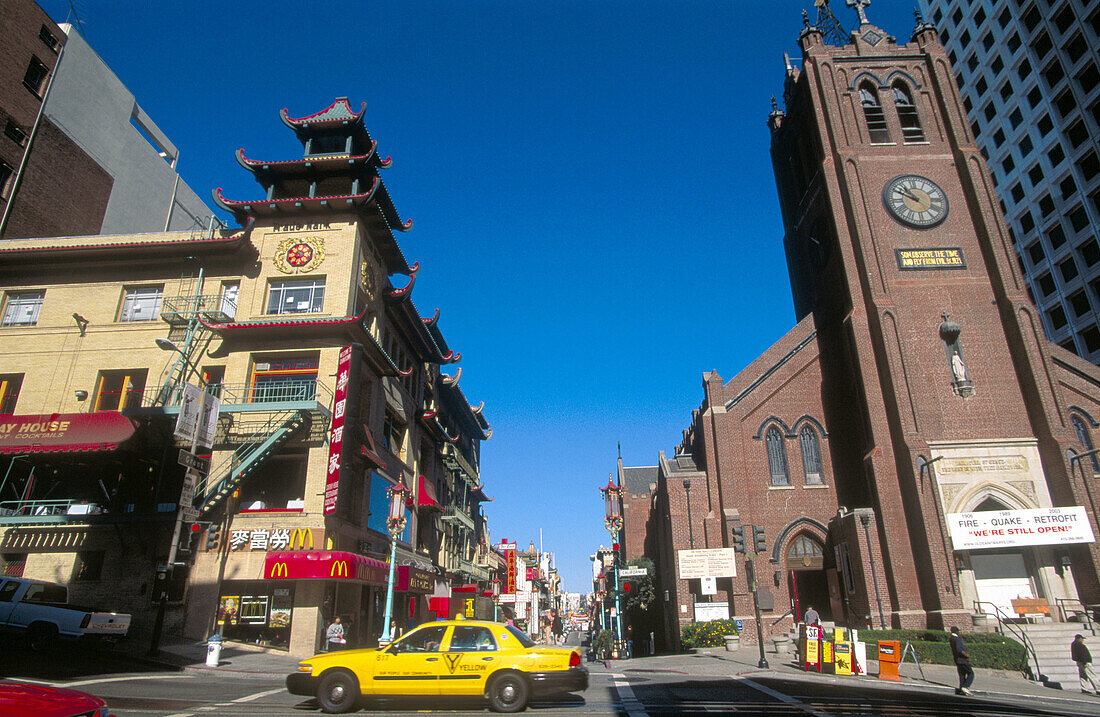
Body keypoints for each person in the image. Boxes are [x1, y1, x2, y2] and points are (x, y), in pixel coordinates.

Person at [949, 626, 973, 695]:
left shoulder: (951, 639)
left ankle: (961, 689)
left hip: (957, 659)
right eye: (958, 631)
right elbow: (959, 650)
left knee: (962, 674)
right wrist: (966, 655)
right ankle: (965, 686)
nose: (958, 632)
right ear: (956, 631)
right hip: (962, 659)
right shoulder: (957, 639)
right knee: (971, 673)